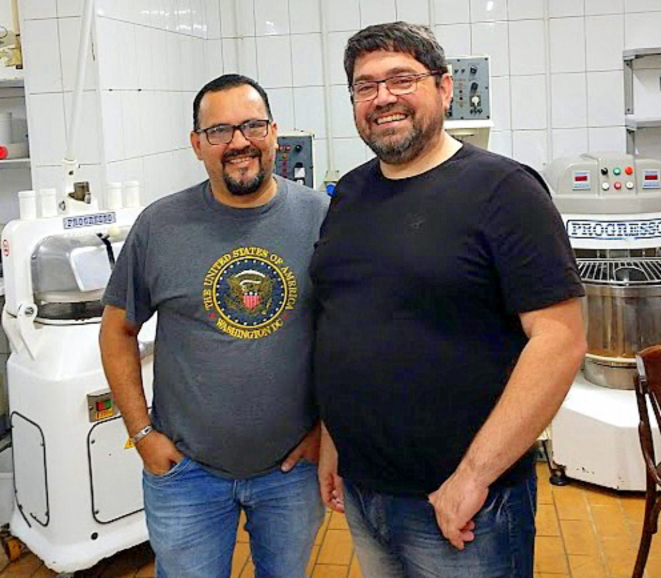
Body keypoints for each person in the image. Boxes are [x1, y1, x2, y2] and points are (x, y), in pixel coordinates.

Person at [310, 22, 587, 578]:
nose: (382, 97)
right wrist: (335, 439)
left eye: (401, 79)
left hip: (464, 504)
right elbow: (348, 318)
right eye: (365, 86)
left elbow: (560, 338)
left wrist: (474, 476)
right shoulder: (351, 192)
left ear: (444, 88)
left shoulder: (505, 191)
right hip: (365, 489)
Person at [99, 73, 328, 578]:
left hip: (293, 471)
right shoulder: (160, 226)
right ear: (197, 144)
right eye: (220, 131)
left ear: (274, 132)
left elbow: (346, 335)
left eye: (252, 126)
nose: (239, 142)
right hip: (186, 474)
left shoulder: (322, 219)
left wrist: (325, 431)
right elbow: (116, 331)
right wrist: (142, 435)